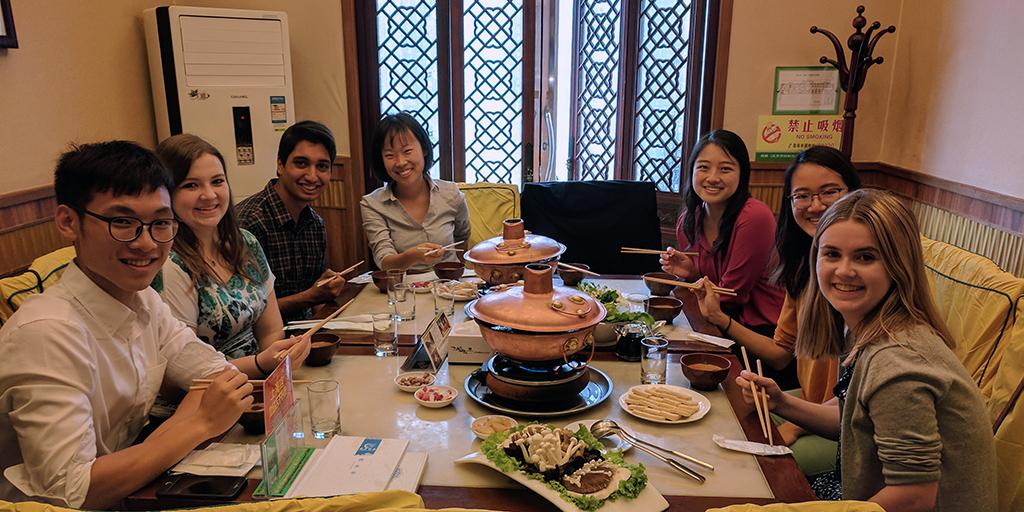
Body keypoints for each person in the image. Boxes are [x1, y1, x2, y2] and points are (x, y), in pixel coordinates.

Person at [0, 141, 253, 508]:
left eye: (160, 223)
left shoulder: (143, 299)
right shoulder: (47, 332)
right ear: (68, 222)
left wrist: (193, 418)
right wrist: (196, 424)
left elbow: (219, 376)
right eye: (122, 222)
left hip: (131, 493)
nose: (147, 243)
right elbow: (73, 491)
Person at [738, 189, 997, 510]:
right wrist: (780, 402)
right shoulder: (869, 326)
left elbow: (915, 497)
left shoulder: (899, 361)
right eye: (832, 254)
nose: (844, 270)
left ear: (898, 265)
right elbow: (852, 417)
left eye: (865, 257)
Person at [690, 147, 860, 466]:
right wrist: (718, 318)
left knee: (750, 464)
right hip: (816, 403)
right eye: (802, 196)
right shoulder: (802, 267)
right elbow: (782, 353)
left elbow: (855, 400)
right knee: (721, 419)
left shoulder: (855, 280)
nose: (816, 205)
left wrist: (795, 421)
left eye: (830, 192)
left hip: (853, 427)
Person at [153, 134, 309, 392]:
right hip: (200, 400)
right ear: (167, 194)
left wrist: (279, 354)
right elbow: (184, 372)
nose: (209, 195)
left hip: (257, 387)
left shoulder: (245, 242)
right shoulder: (170, 264)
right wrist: (260, 363)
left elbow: (271, 329)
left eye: (217, 181)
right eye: (191, 185)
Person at [659, 129, 791, 387]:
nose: (712, 178)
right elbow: (710, 290)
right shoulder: (690, 219)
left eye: (725, 169)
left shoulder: (754, 217)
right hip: (719, 321)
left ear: (742, 174)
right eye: (704, 167)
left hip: (761, 335)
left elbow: (732, 294)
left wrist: (699, 283)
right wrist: (691, 272)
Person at [237, 120, 346, 322]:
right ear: (280, 165)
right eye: (301, 163)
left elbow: (317, 298)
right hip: (261, 346)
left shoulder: (315, 224)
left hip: (305, 335)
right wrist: (310, 297)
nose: (312, 176)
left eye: (322, 166)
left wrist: (326, 290)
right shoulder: (249, 223)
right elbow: (246, 312)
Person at [360, 112, 470, 272]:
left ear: (424, 149)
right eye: (390, 155)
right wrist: (413, 256)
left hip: (449, 286)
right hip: (403, 289)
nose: (400, 162)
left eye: (407, 151)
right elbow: (384, 262)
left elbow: (462, 238)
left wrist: (453, 272)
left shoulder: (451, 193)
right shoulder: (372, 204)